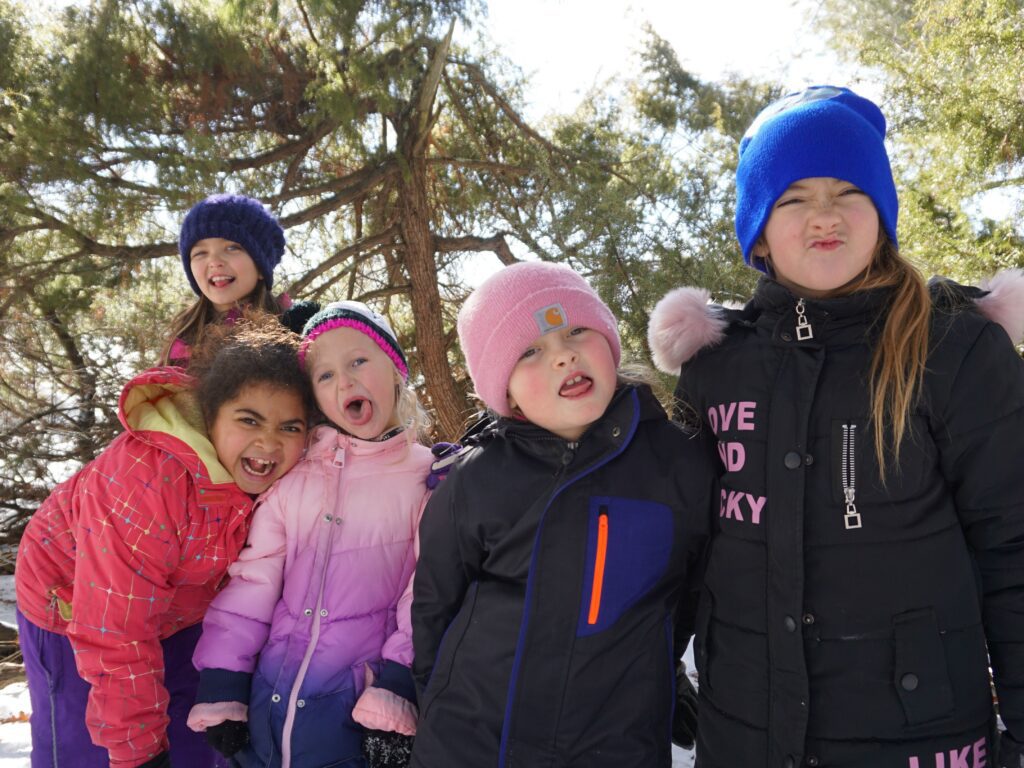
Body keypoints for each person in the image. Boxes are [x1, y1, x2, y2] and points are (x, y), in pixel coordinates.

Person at [647, 85, 1024, 768]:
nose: (823, 214)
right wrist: (652, 674)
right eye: (792, 198)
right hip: (743, 733)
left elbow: (1014, 546)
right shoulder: (717, 366)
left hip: (917, 733)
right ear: (759, 230)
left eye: (848, 190)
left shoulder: (955, 350)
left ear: (880, 213)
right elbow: (684, 546)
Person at [410, 261, 716, 768]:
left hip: (616, 745)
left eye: (576, 330)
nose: (563, 354)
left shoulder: (676, 464)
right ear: (504, 392)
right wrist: (438, 706)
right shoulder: (475, 479)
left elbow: (689, 597)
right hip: (471, 744)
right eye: (529, 351)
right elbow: (434, 612)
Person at [15, 313, 314, 768]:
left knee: (192, 738)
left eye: (289, 427)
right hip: (73, 603)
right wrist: (138, 755)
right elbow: (115, 630)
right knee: (94, 749)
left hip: (176, 608)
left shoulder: (275, 478)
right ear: (210, 415)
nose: (269, 443)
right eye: (249, 420)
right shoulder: (148, 482)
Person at [187, 301, 433, 768]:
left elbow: (424, 596)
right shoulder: (295, 475)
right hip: (266, 701)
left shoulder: (424, 480)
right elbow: (253, 581)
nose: (345, 381)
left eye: (359, 361)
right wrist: (223, 678)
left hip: (351, 711)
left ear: (395, 367)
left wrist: (399, 685)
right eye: (325, 376)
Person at [161, 193, 315, 365]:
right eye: (200, 253)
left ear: (261, 267)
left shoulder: (295, 328)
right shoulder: (182, 341)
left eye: (232, 248)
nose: (214, 262)